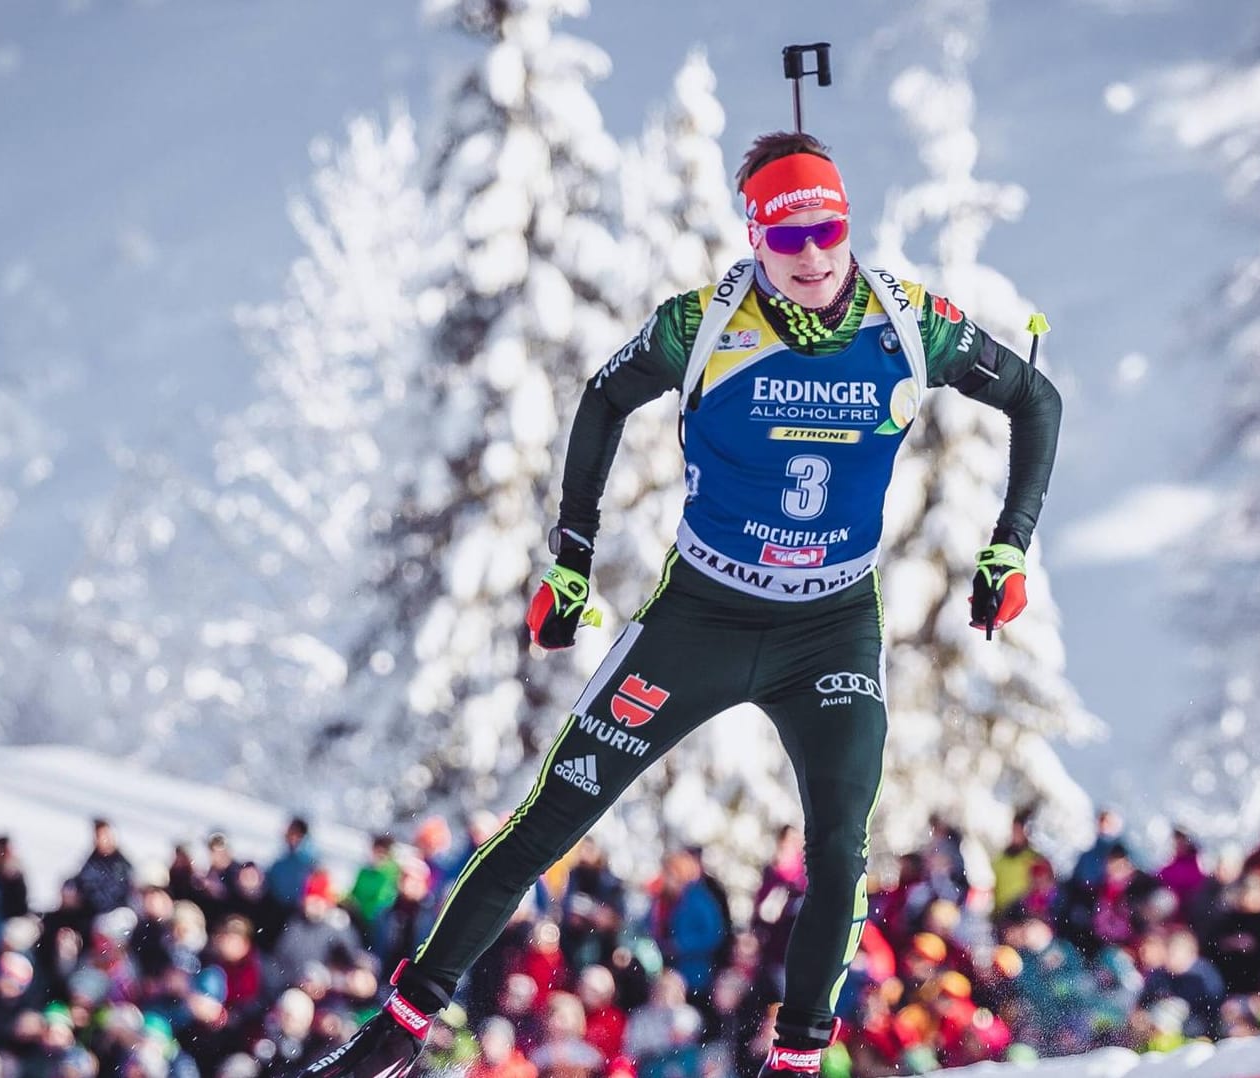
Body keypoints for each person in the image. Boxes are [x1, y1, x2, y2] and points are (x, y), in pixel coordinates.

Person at [295, 129, 1061, 1078]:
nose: (813, 256)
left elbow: (1037, 401)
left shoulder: (911, 323)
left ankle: (796, 1062)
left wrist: (1006, 547)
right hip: (699, 618)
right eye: (787, 240)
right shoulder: (702, 323)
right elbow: (600, 401)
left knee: (838, 851)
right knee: (550, 818)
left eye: (827, 229)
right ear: (755, 239)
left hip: (828, 630)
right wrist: (570, 561)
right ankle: (398, 1034)